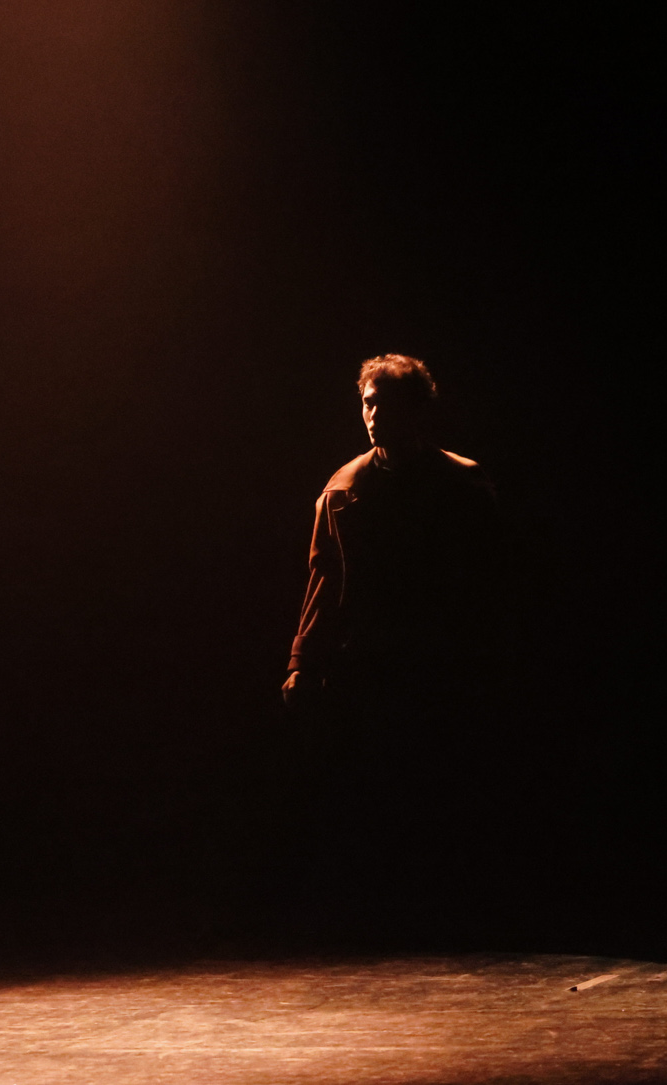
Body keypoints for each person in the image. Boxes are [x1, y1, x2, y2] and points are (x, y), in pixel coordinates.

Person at [279, 353, 514, 941]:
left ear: (418, 409)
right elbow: (325, 580)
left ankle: (455, 906)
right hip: (370, 662)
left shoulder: (461, 482)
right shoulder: (343, 490)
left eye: (388, 403)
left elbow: (492, 580)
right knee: (373, 787)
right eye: (369, 402)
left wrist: (492, 658)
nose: (375, 415)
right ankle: (384, 911)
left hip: (444, 662)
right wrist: (303, 661)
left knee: (445, 784)